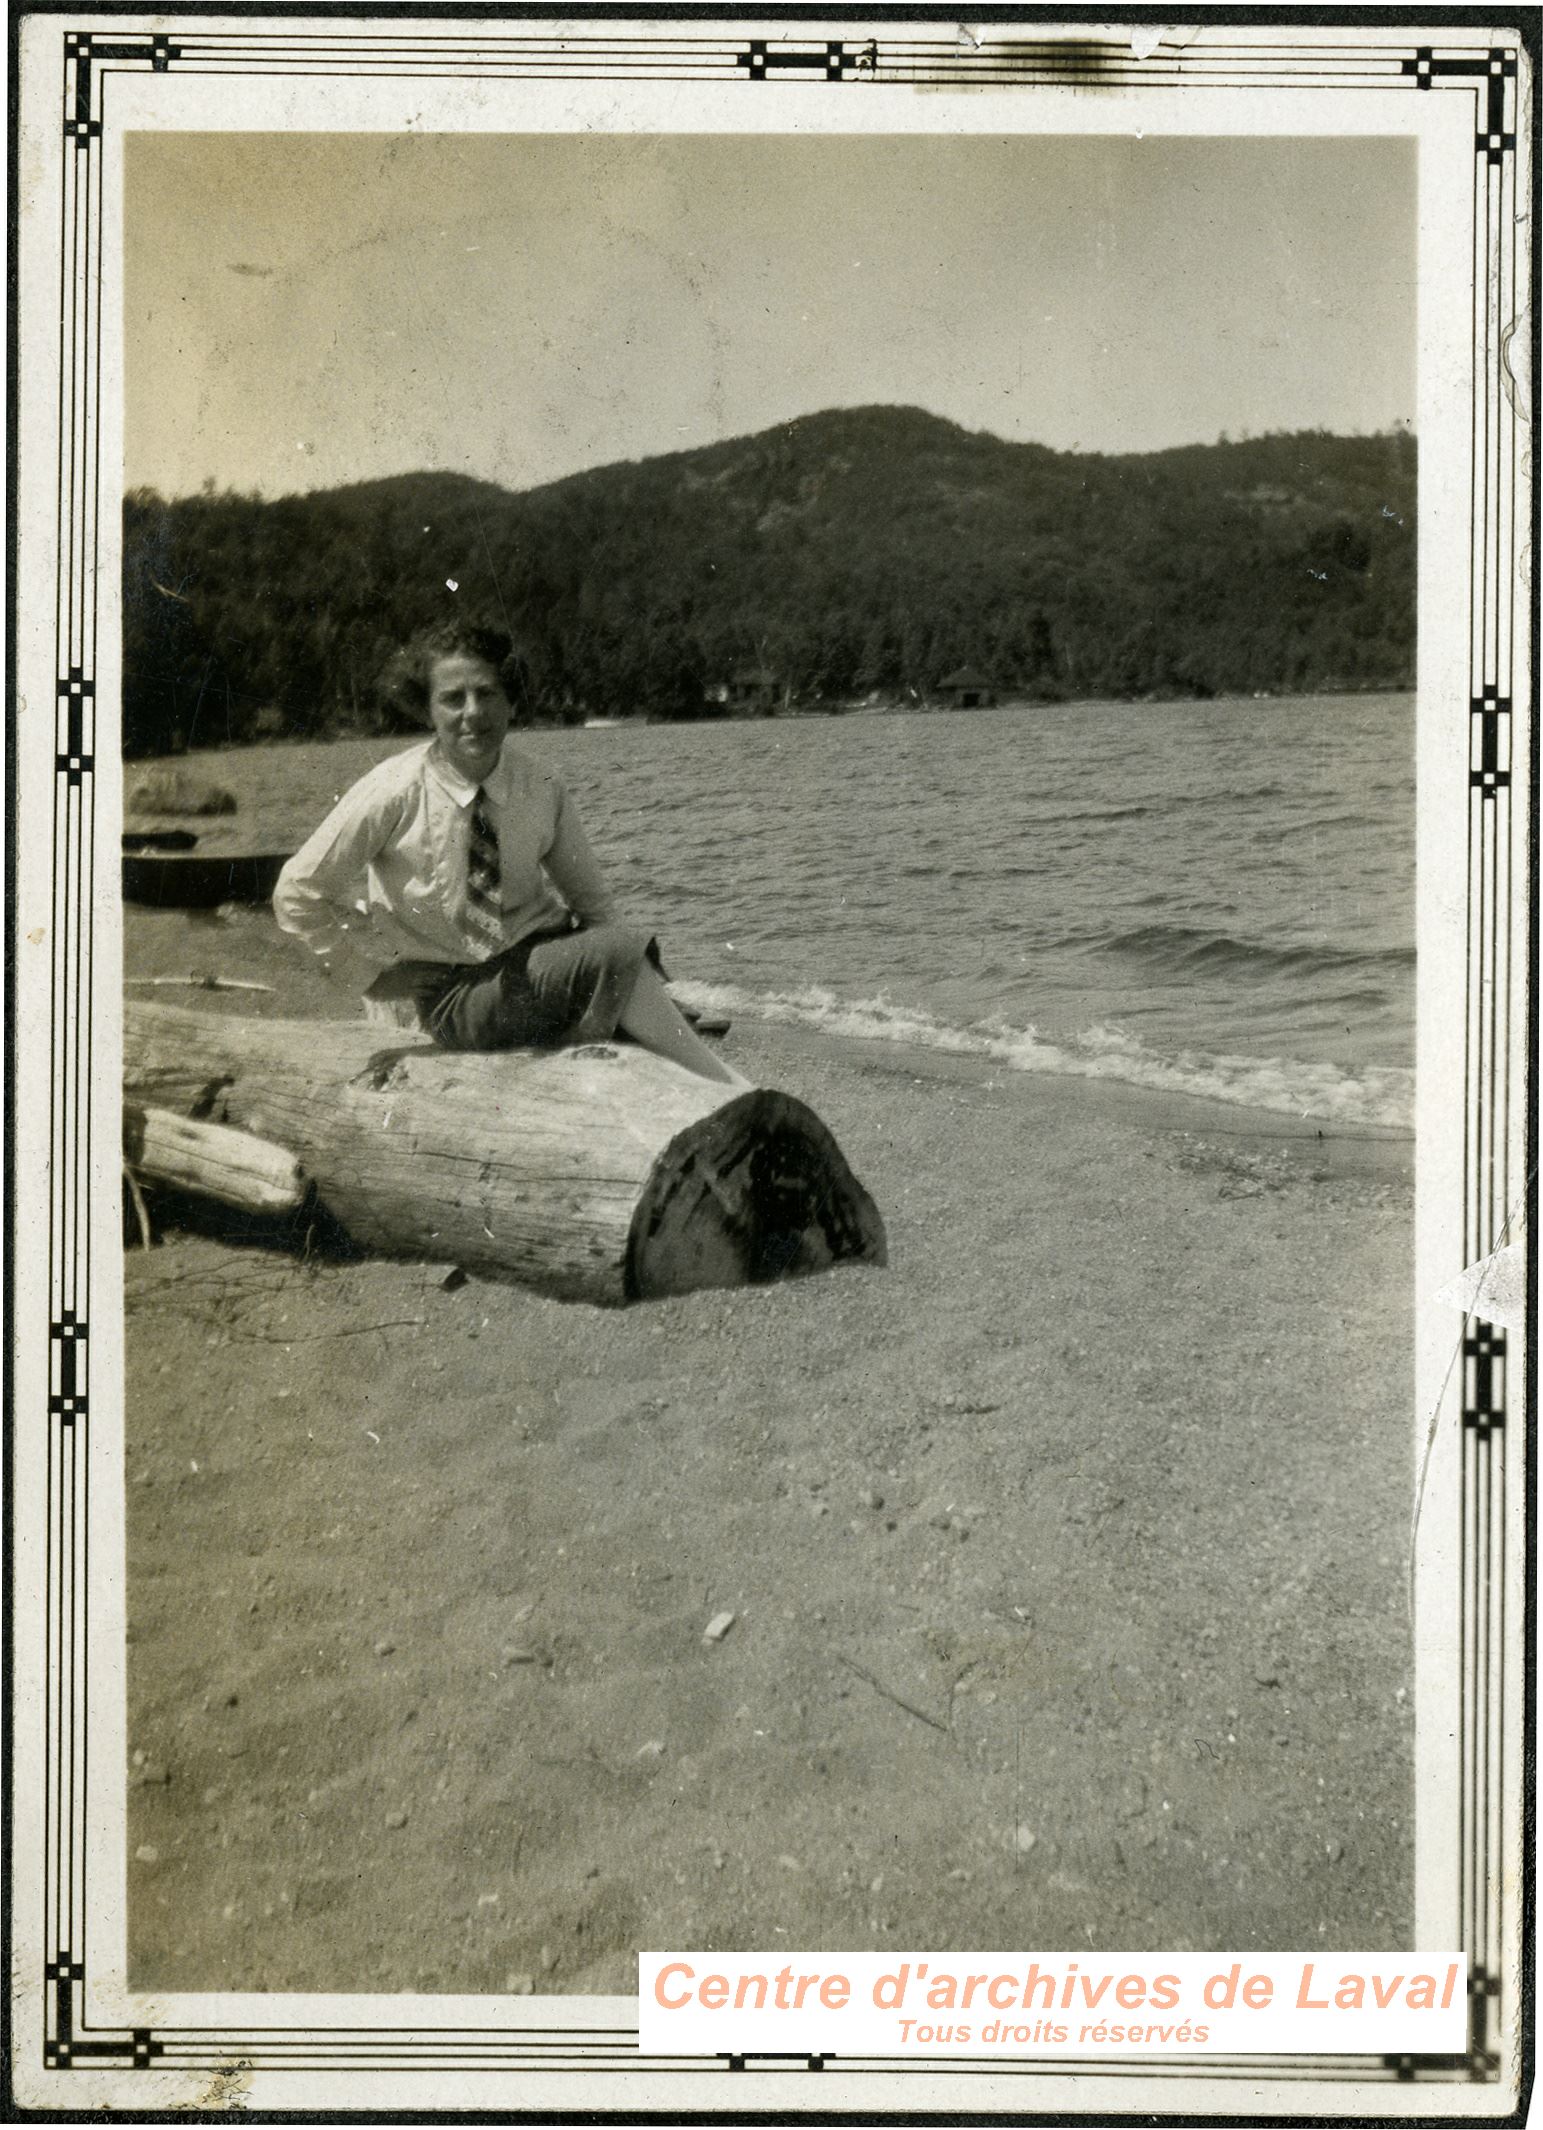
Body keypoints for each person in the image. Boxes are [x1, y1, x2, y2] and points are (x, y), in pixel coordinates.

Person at [272, 621, 749, 1088]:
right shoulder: (392, 790)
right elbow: (297, 892)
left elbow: (593, 902)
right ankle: (729, 1086)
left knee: (628, 958)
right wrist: (372, 978)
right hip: (454, 993)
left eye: (488, 693)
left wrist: (643, 979)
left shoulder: (540, 783)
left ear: (511, 700)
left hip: (540, 960)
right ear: (427, 710)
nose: (473, 712)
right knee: (619, 958)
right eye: (452, 699)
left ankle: (690, 1061)